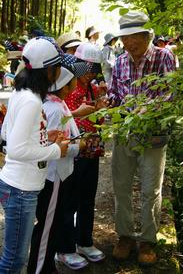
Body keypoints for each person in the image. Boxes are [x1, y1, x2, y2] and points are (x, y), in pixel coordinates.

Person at [108, 11, 176, 266]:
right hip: (125, 134)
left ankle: (147, 239)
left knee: (150, 189)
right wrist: (109, 103)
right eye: (124, 37)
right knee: (121, 187)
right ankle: (125, 236)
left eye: (134, 36)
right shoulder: (120, 62)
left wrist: (147, 109)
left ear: (146, 35)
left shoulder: (163, 57)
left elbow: (170, 93)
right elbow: (115, 93)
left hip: (154, 135)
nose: (129, 43)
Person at [0, 37, 68, 273]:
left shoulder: (23, 93)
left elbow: (7, 134)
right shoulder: (31, 101)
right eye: (58, 66)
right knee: (14, 259)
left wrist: (43, 137)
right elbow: (17, 150)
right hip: (20, 189)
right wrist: (55, 150)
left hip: (18, 186)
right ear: (49, 70)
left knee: (15, 255)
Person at [53, 43, 109, 270]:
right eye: (85, 70)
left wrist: (101, 109)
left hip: (90, 151)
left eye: (93, 70)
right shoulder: (64, 91)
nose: (89, 75)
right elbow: (58, 124)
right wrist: (79, 113)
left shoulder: (94, 90)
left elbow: (98, 123)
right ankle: (64, 249)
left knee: (87, 198)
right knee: (68, 202)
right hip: (71, 153)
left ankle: (84, 242)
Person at [27, 66, 87, 274]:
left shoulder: (57, 104)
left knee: (53, 224)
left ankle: (47, 266)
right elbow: (50, 146)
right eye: (74, 81)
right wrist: (78, 147)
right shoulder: (53, 110)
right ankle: (38, 268)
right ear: (65, 86)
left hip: (60, 175)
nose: (77, 83)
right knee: (47, 226)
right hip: (53, 176)